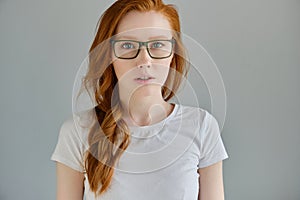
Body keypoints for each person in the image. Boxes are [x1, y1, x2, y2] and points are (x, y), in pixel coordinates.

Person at [51, 0, 228, 199]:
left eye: (158, 44)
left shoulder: (202, 127)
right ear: (109, 55)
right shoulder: (77, 131)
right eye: (127, 45)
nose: (144, 60)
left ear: (173, 54)